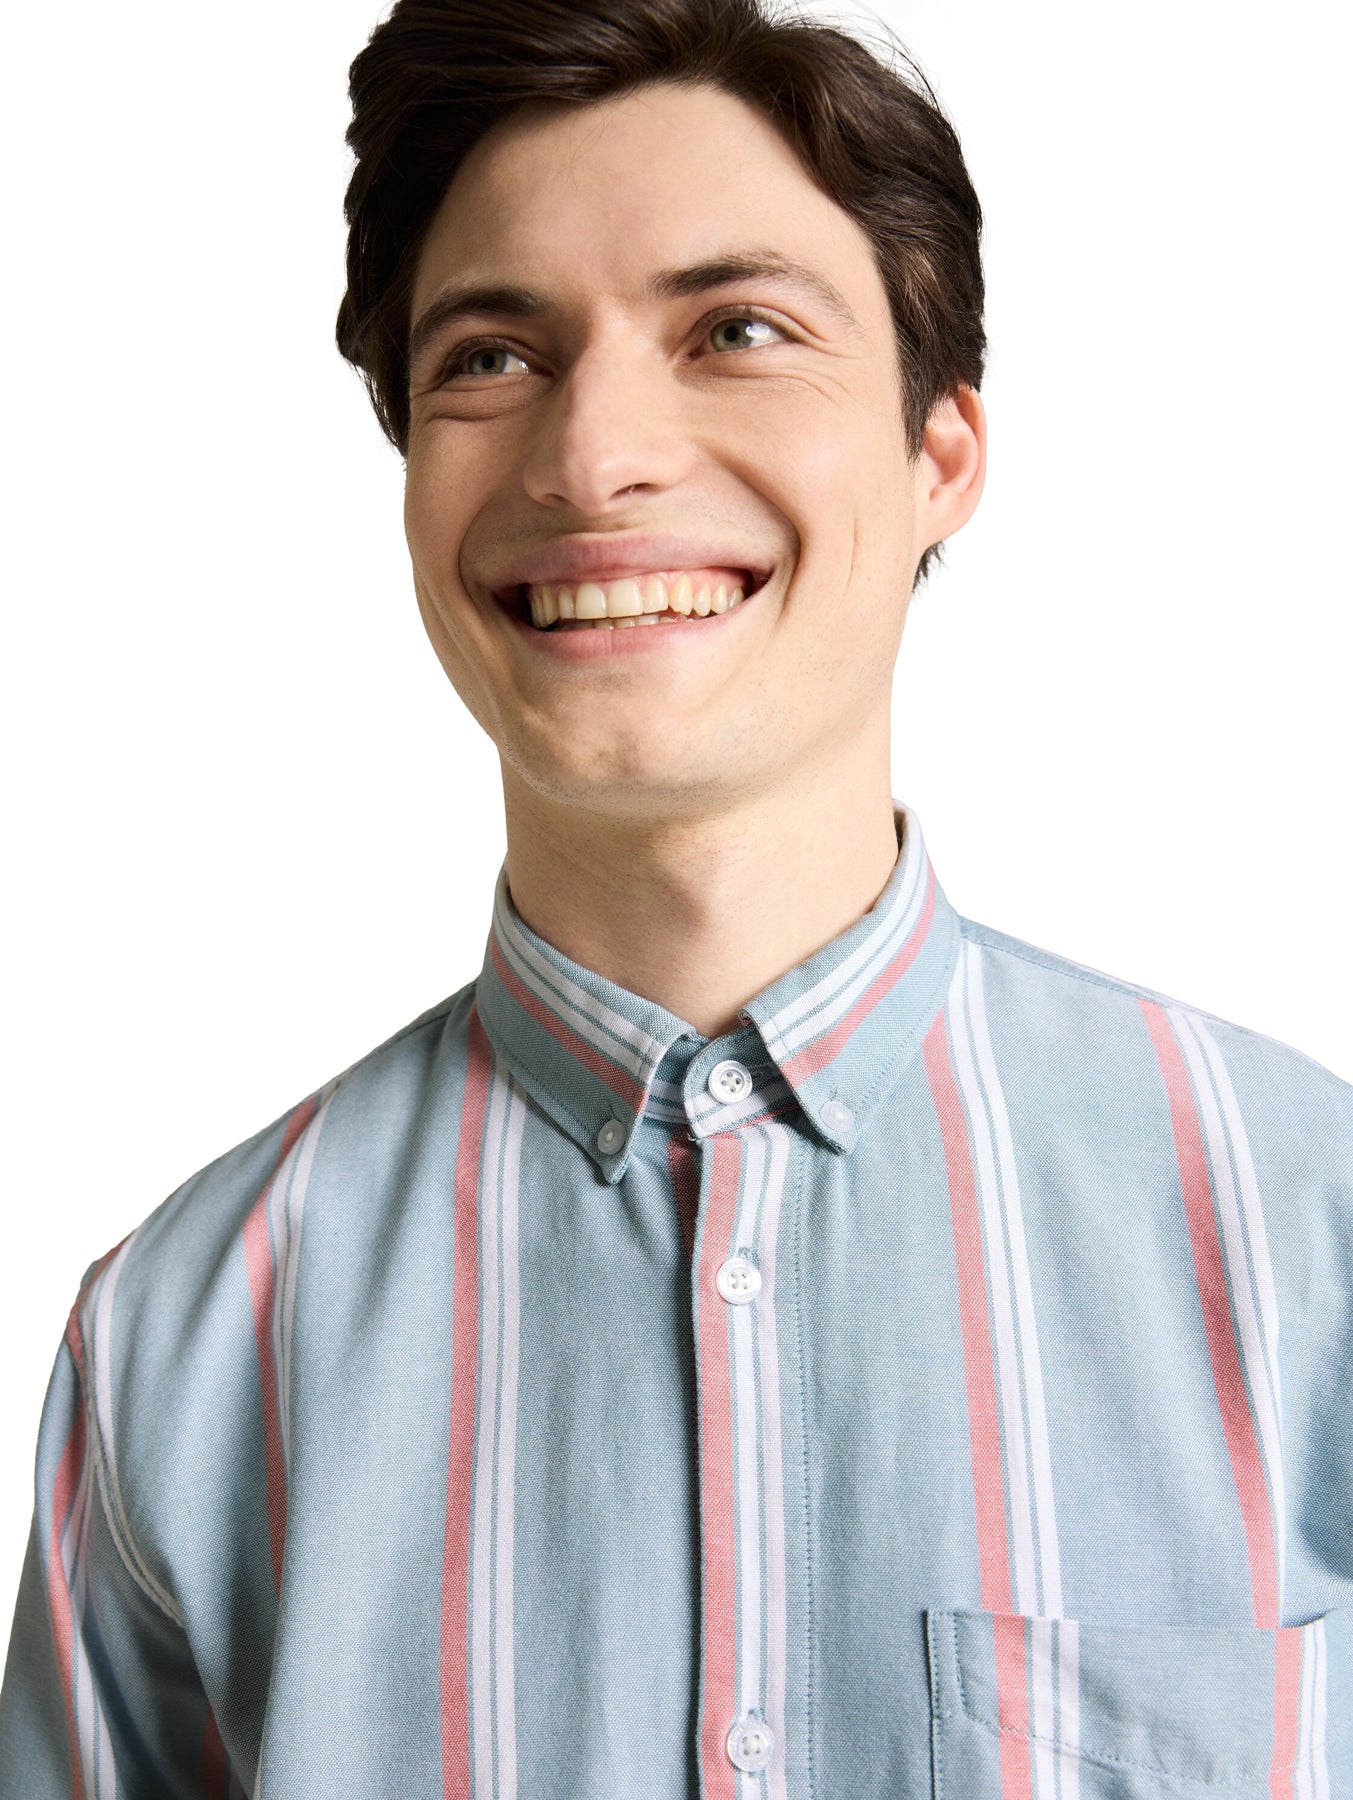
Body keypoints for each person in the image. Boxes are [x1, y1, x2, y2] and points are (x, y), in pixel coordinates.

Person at [2, 0, 1349, 1792]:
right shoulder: (179, 1345)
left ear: (941, 453)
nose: (592, 457)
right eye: (491, 356)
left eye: (737, 330)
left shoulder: (1307, 1233)